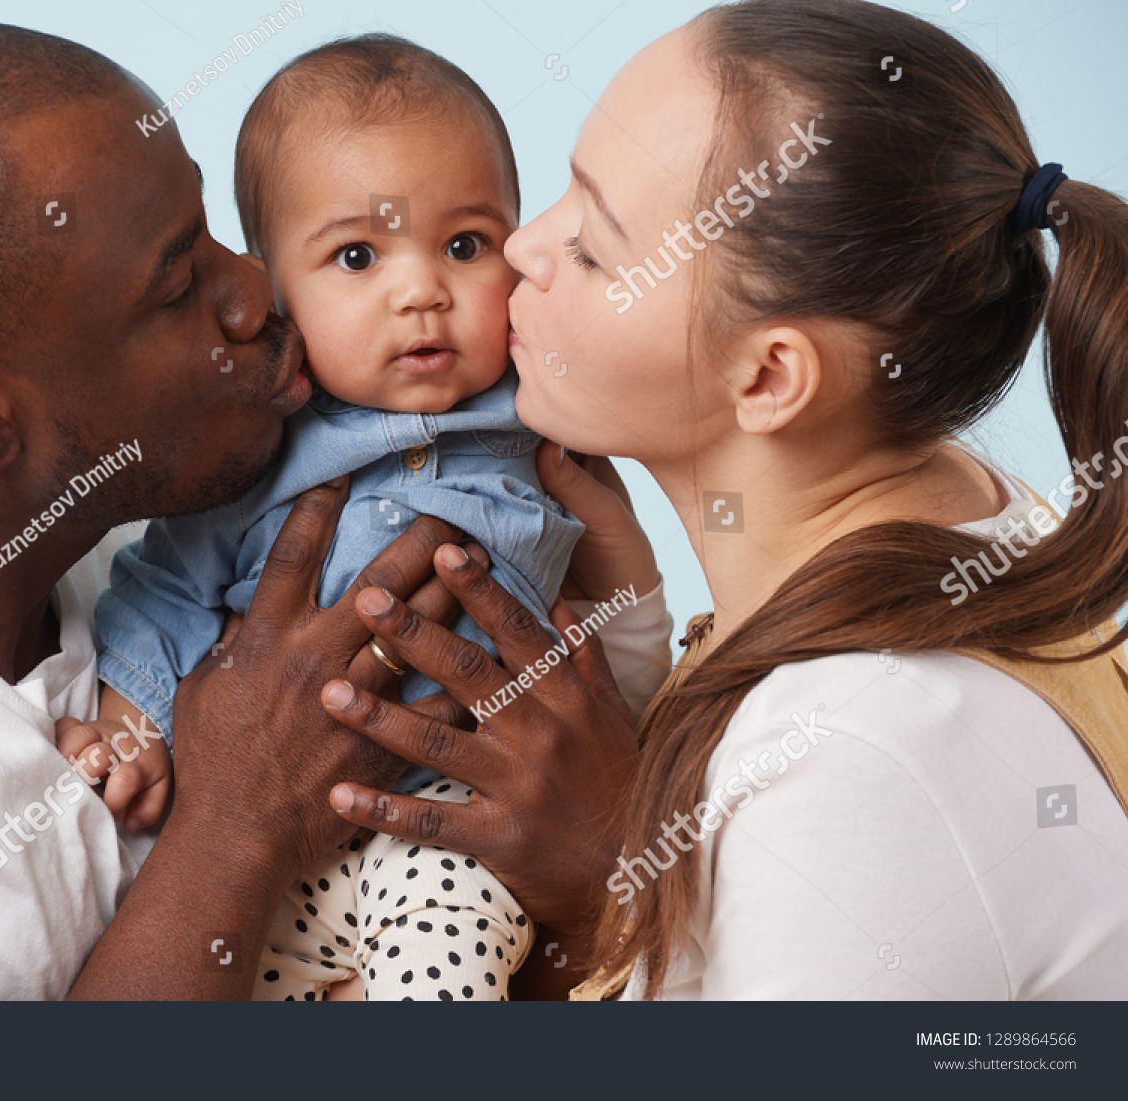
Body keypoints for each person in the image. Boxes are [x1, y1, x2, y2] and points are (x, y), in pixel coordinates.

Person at [0, 19, 647, 1001]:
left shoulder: (162, 505)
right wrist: (239, 820)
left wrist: (593, 884)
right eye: (180, 283)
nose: (257, 292)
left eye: (214, 232)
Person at [319, 0, 1128, 998]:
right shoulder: (968, 508)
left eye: (594, 249)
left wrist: (616, 887)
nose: (525, 247)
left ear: (771, 379)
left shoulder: (854, 764)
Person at [66, 34, 671, 1002]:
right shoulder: (260, 448)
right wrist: (130, 717)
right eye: (356, 256)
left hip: (462, 817)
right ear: (273, 289)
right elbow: (167, 581)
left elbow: (609, 643)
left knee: (447, 960)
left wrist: (629, 749)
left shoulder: (545, 415)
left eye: (465, 246)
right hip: (257, 842)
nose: (421, 290)